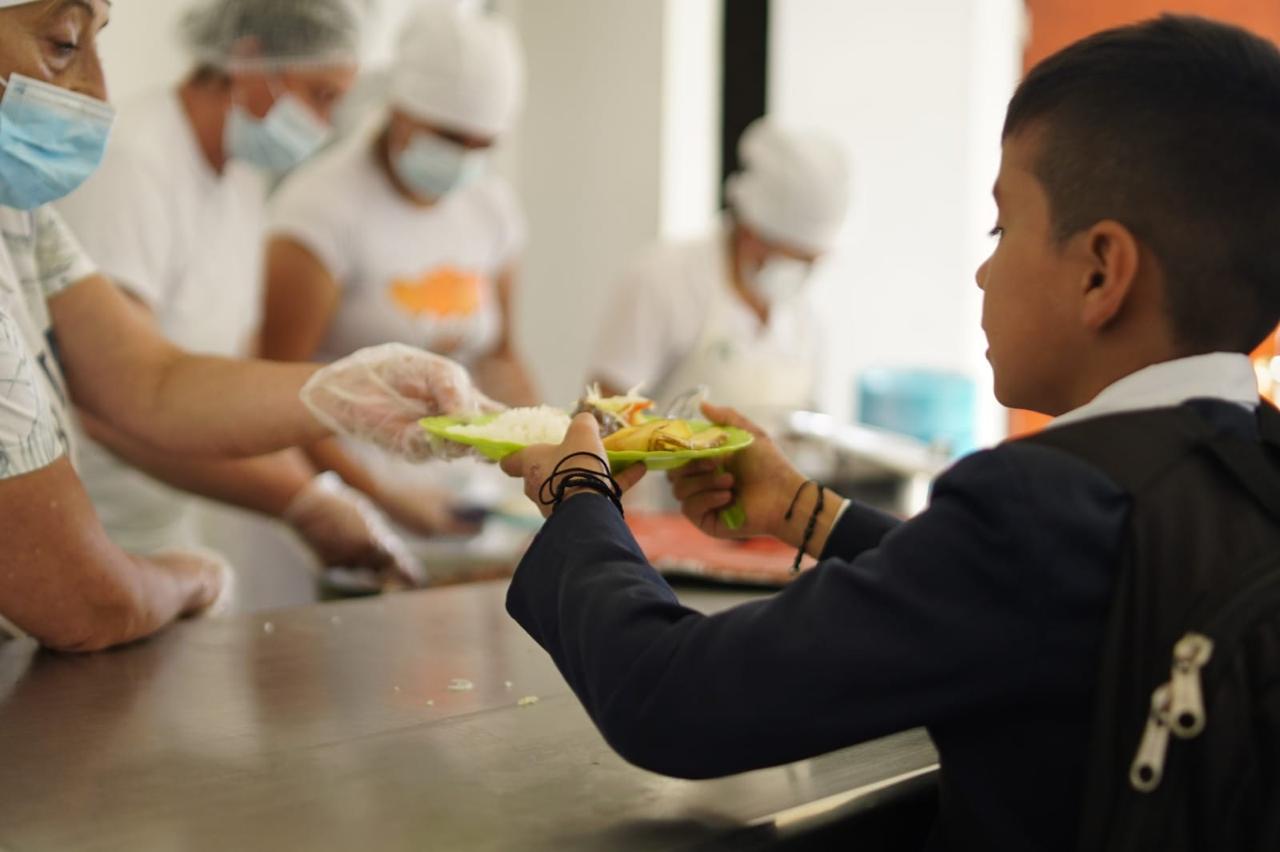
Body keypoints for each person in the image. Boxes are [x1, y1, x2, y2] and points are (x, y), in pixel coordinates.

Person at [498, 15, 1280, 851]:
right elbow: (1000, 595)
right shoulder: (1250, 467)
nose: (983, 269)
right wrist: (804, 510)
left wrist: (579, 494)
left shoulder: (1042, 505)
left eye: (1001, 228)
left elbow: (673, 697)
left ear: (1101, 272)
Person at [0, 0, 488, 651]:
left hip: (118, 559)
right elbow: (86, 599)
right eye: (63, 43)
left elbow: (150, 379)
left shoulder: (23, 216)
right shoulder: (138, 162)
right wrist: (200, 575)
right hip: (86, 550)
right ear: (251, 59)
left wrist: (341, 392)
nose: (96, 92)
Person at [51, 0, 430, 585]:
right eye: (320, 95)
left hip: (161, 525)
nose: (326, 123)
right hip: (79, 528)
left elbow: (235, 377)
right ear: (251, 59)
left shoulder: (242, 178)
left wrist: (329, 489)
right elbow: (108, 400)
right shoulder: (132, 161)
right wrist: (301, 502)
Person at [261, 1, 534, 534]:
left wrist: (549, 455)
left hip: (460, 501)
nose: (465, 158)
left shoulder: (492, 209)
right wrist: (381, 499)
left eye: (483, 145)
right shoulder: (319, 209)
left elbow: (500, 358)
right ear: (400, 109)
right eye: (450, 138)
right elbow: (275, 393)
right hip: (342, 495)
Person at [588, 118, 850, 419]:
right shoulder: (663, 278)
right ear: (752, 232)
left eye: (813, 262)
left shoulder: (805, 316)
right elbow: (603, 412)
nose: (804, 273)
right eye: (797, 257)